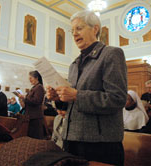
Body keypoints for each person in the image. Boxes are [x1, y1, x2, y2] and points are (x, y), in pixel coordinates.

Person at [46, 10, 127, 165]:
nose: (74, 34)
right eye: (72, 30)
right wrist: (59, 98)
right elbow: (71, 106)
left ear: (95, 29)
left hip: (99, 144)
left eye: (79, 28)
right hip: (71, 138)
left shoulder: (111, 54)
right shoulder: (74, 64)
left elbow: (117, 99)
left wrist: (76, 95)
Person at [18, 71, 45, 139]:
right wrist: (22, 99)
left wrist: (24, 97)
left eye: (31, 78)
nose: (29, 80)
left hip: (35, 116)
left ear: (36, 78)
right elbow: (29, 100)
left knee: (35, 136)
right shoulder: (34, 87)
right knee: (30, 136)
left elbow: (37, 101)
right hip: (30, 116)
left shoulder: (39, 87)